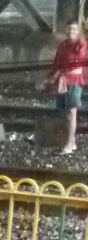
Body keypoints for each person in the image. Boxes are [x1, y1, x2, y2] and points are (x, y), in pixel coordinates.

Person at [46, 21, 87, 154]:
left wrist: (58, 73)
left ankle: (69, 144)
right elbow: (56, 63)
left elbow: (75, 62)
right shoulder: (62, 46)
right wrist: (49, 76)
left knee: (71, 112)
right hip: (62, 80)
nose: (71, 32)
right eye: (69, 29)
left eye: (74, 29)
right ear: (65, 31)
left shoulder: (81, 44)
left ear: (78, 31)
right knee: (64, 112)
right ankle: (72, 141)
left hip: (74, 80)